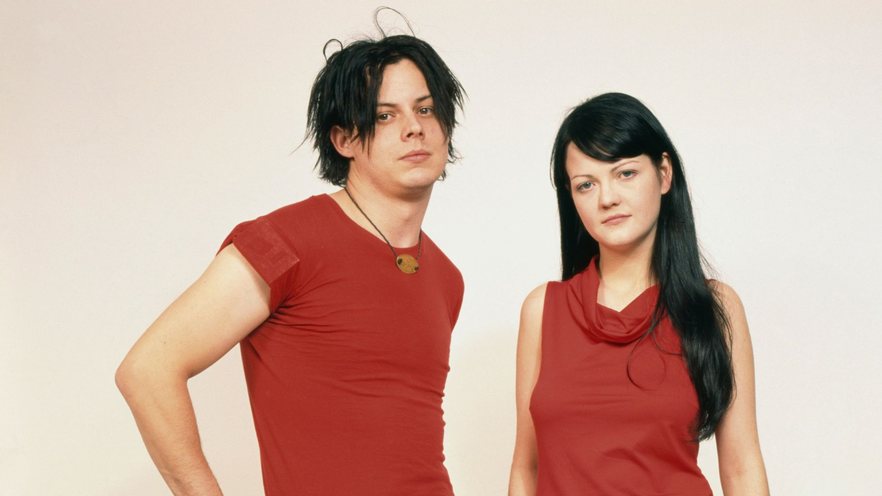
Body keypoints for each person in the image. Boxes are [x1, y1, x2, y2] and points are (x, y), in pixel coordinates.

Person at [116, 33, 466, 496]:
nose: (414, 128)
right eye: (384, 115)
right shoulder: (283, 242)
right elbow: (147, 370)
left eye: (426, 109)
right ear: (344, 139)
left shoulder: (445, 277)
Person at [508, 93, 769, 495]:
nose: (607, 198)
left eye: (625, 173)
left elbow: (741, 468)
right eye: (586, 185)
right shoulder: (543, 309)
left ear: (664, 174)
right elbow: (526, 468)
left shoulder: (715, 307)